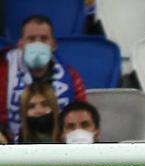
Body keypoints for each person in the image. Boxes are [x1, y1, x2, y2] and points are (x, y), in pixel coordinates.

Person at [0, 14, 87, 142]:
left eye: (44, 39)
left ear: (53, 45)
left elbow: (81, 114)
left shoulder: (71, 76)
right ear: (20, 44)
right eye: (31, 39)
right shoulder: (4, 72)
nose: (38, 44)